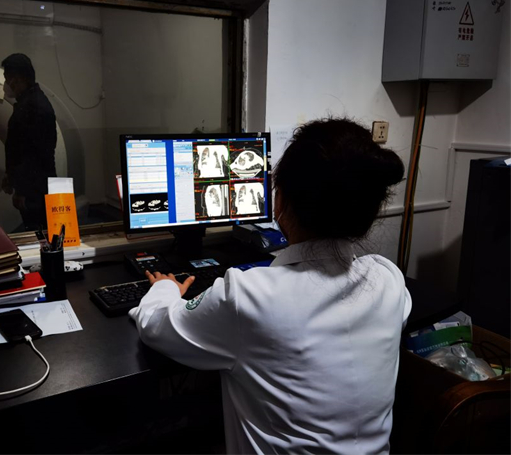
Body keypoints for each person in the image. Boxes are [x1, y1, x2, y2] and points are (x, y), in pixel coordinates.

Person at [130, 118, 413, 453]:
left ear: (281, 203)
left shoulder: (249, 296)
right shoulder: (389, 281)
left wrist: (164, 289)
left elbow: (158, 327)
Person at [1, 53, 57, 231]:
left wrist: (23, 191)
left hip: (35, 190)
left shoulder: (33, 107)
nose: (6, 84)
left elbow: (33, 156)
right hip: (36, 186)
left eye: (7, 78)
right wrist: (11, 178)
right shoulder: (30, 103)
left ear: (17, 79)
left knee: (38, 231)